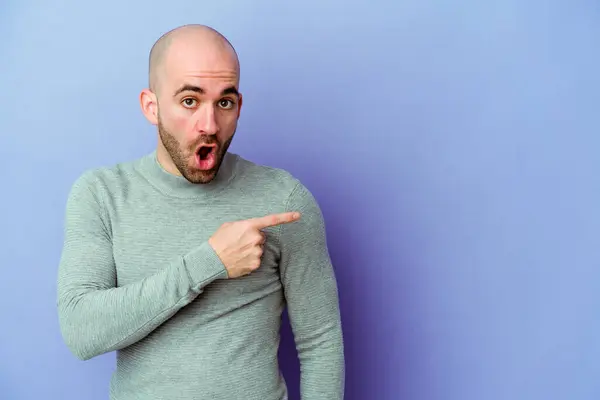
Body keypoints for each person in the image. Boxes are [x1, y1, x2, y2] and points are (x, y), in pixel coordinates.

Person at [56, 24, 345, 400]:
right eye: (190, 101)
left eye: (224, 102)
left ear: (238, 106)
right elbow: (81, 331)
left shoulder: (284, 200)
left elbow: (320, 340)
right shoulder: (101, 194)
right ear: (151, 105)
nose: (209, 125)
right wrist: (209, 262)